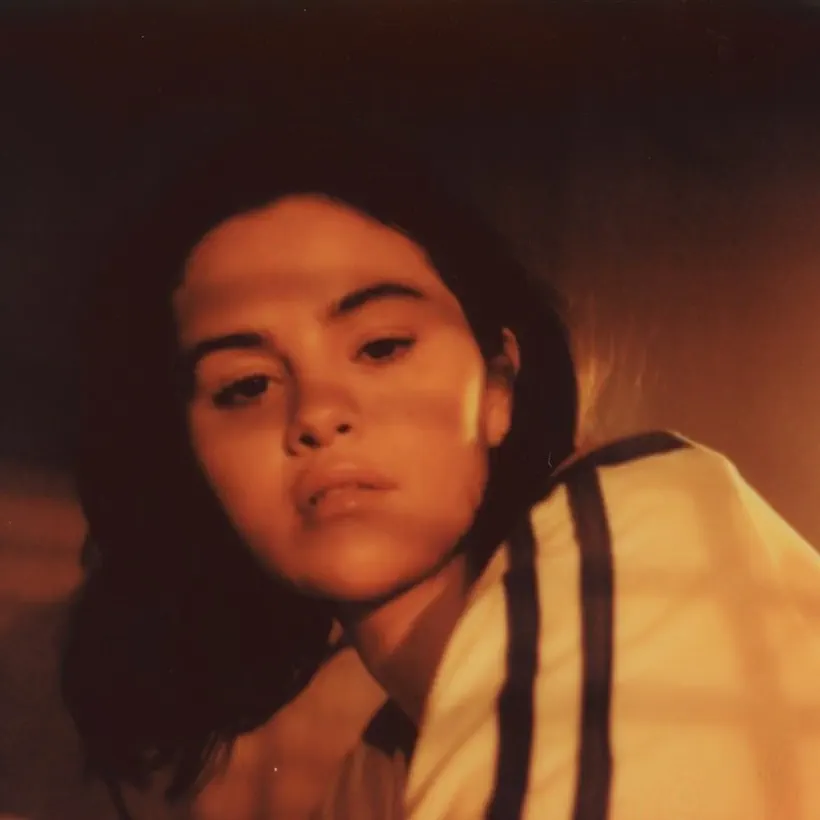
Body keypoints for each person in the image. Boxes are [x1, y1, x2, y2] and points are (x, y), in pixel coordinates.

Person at [61, 117, 820, 820]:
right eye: (246, 386)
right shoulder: (377, 774)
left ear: (498, 387)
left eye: (381, 346)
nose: (317, 412)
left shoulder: (639, 533)